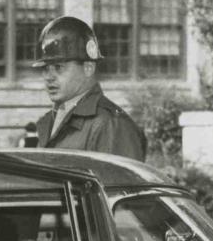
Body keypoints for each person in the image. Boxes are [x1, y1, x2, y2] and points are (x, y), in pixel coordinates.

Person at [30, 17, 148, 162]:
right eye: (45, 68)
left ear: (88, 68)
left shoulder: (111, 125)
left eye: (58, 67)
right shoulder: (54, 119)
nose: (49, 77)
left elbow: (122, 183)